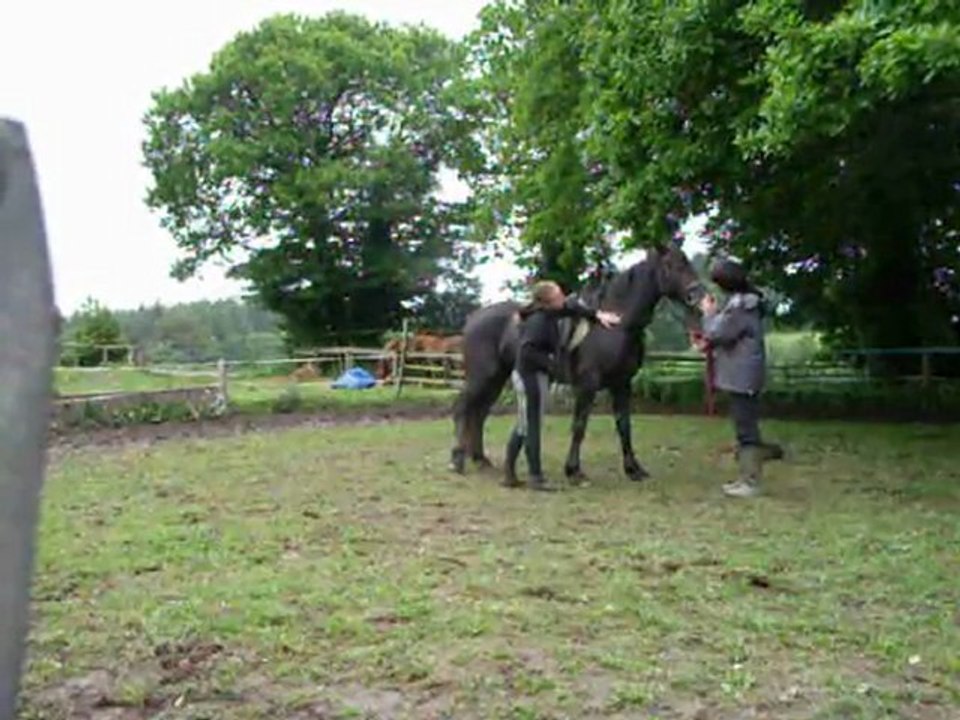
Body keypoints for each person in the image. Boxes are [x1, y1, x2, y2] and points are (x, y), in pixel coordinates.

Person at [504, 280, 622, 491]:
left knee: (525, 423)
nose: (563, 298)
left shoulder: (551, 311)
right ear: (548, 302)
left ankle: (509, 474)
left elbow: (573, 307)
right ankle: (535, 477)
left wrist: (598, 315)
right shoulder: (539, 322)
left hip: (535, 374)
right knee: (531, 424)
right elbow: (528, 352)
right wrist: (553, 365)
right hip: (530, 376)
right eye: (558, 295)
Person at [692, 258, 783, 498]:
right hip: (742, 374)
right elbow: (727, 336)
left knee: (746, 429)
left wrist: (708, 314)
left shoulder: (742, 306)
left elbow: (718, 332)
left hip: (743, 377)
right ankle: (749, 473)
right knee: (744, 426)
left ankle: (752, 481)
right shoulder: (741, 303)